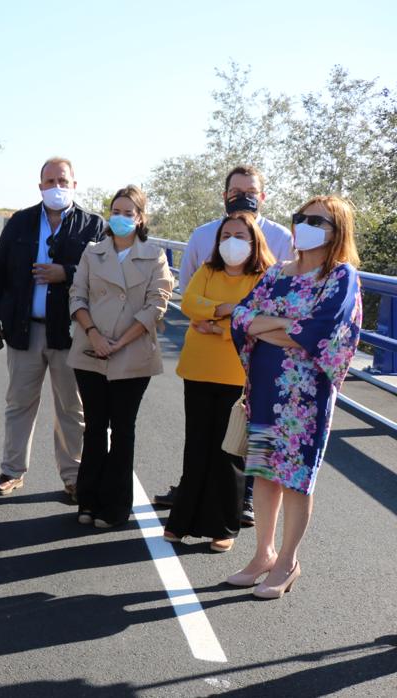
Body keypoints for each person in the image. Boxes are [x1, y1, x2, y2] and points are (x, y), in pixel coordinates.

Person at [225, 195, 362, 599]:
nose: (303, 225)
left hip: (306, 397)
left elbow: (319, 331)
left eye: (315, 221)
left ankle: (288, 562)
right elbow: (241, 316)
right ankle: (262, 555)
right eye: (300, 218)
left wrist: (268, 326)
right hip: (265, 388)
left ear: (337, 230)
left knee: (296, 479)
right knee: (264, 472)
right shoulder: (277, 272)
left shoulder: (340, 276)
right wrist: (288, 326)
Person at [155, 165, 295, 521]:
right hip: (205, 351)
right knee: (202, 431)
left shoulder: (280, 238)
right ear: (225, 195)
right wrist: (220, 315)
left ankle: (242, 499)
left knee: (243, 430)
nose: (243, 197)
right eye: (235, 191)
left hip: (257, 354)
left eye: (250, 191)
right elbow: (188, 288)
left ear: (263, 196)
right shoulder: (203, 235)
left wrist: (224, 325)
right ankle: (193, 493)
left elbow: (275, 300)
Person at [0, 157, 107, 500]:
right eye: (50, 181)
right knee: (19, 402)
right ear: (40, 186)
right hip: (24, 330)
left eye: (62, 181)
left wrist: (64, 273)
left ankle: (73, 476)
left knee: (71, 407)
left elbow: (102, 273)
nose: (56, 187)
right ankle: (12, 470)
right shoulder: (20, 222)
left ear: (74, 184)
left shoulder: (92, 225)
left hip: (70, 332)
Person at [164, 211, 274, 552]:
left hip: (237, 375)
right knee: (196, 447)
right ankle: (182, 521)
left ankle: (223, 526)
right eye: (226, 235)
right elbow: (190, 303)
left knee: (229, 454)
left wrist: (216, 326)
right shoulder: (207, 270)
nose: (231, 242)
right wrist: (226, 310)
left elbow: (256, 319)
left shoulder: (264, 278)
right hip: (198, 370)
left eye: (240, 235)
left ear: (254, 241)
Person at [68, 185, 173, 528]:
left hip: (133, 355)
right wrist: (96, 336)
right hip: (90, 351)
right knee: (94, 428)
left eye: (129, 212)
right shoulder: (91, 253)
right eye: (117, 210)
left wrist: (120, 341)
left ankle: (115, 507)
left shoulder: (155, 255)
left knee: (123, 429)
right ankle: (88, 500)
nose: (121, 217)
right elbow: (76, 296)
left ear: (140, 218)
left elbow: (157, 305)